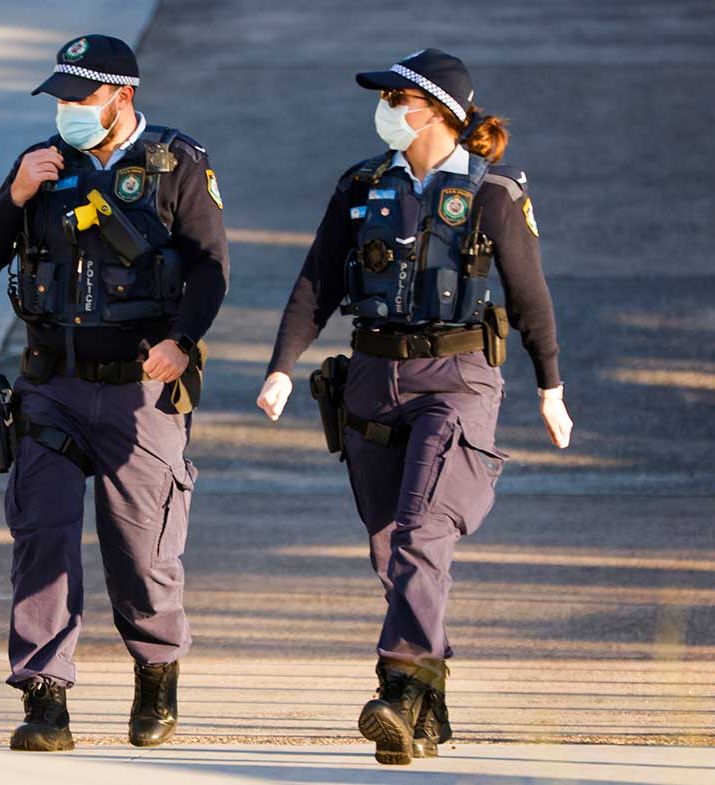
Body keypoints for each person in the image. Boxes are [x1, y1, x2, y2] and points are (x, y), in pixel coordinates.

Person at [255, 48, 574, 766]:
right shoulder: (361, 185)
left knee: (422, 534)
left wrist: (550, 384)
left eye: (398, 99)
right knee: (390, 545)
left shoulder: (490, 191)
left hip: (456, 379)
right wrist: (282, 366)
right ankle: (430, 707)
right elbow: (315, 282)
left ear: (435, 110)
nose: (386, 110)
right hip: (371, 379)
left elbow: (529, 293)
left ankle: (395, 689)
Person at [0, 34, 229, 752]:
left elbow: (210, 270)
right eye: (62, 98)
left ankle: (157, 670)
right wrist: (14, 196)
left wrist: (182, 341)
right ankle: (45, 697)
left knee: (141, 553)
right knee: (42, 532)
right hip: (52, 386)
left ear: (122, 96)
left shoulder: (177, 165)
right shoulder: (42, 166)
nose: (69, 111)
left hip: (140, 388)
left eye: (82, 98)